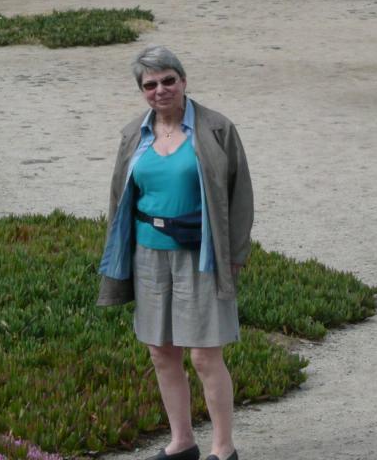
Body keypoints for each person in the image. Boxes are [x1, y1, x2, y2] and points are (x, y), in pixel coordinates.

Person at [98, 45, 253, 460]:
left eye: (169, 80)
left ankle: (223, 449)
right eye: (151, 84)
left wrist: (236, 252)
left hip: (201, 254)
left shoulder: (217, 129)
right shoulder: (135, 133)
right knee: (162, 352)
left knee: (204, 355)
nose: (161, 90)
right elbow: (120, 196)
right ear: (142, 90)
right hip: (148, 255)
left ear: (183, 81)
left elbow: (240, 196)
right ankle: (182, 443)